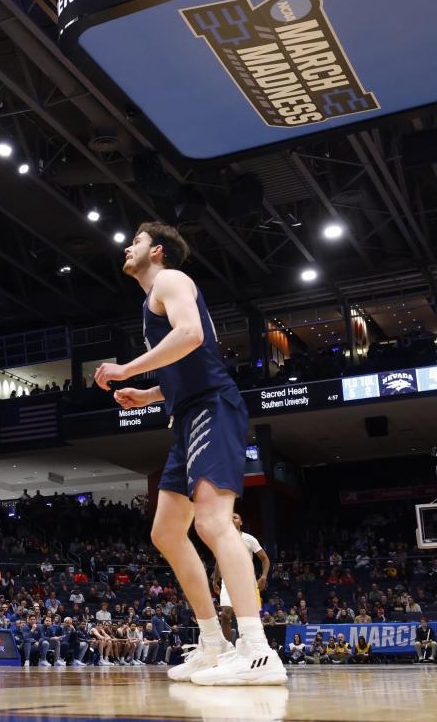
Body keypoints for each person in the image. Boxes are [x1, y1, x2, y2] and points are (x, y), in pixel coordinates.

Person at [95, 223, 284, 686]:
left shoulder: (170, 280)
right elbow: (186, 361)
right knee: (165, 532)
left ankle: (257, 650)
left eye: (135, 240)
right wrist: (148, 394)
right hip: (186, 413)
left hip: (212, 408)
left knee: (212, 522)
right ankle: (213, 643)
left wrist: (125, 370)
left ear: (156, 251)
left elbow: (192, 335)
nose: (127, 244)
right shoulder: (153, 299)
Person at [210, 513, 270, 642]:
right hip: (228, 581)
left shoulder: (249, 539)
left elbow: (265, 559)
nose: (232, 519)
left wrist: (264, 576)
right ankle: (227, 649)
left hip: (247, 582)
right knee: (225, 614)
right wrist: (215, 580)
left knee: (247, 618)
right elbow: (219, 561)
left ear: (241, 522)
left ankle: (251, 644)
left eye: (235, 517)